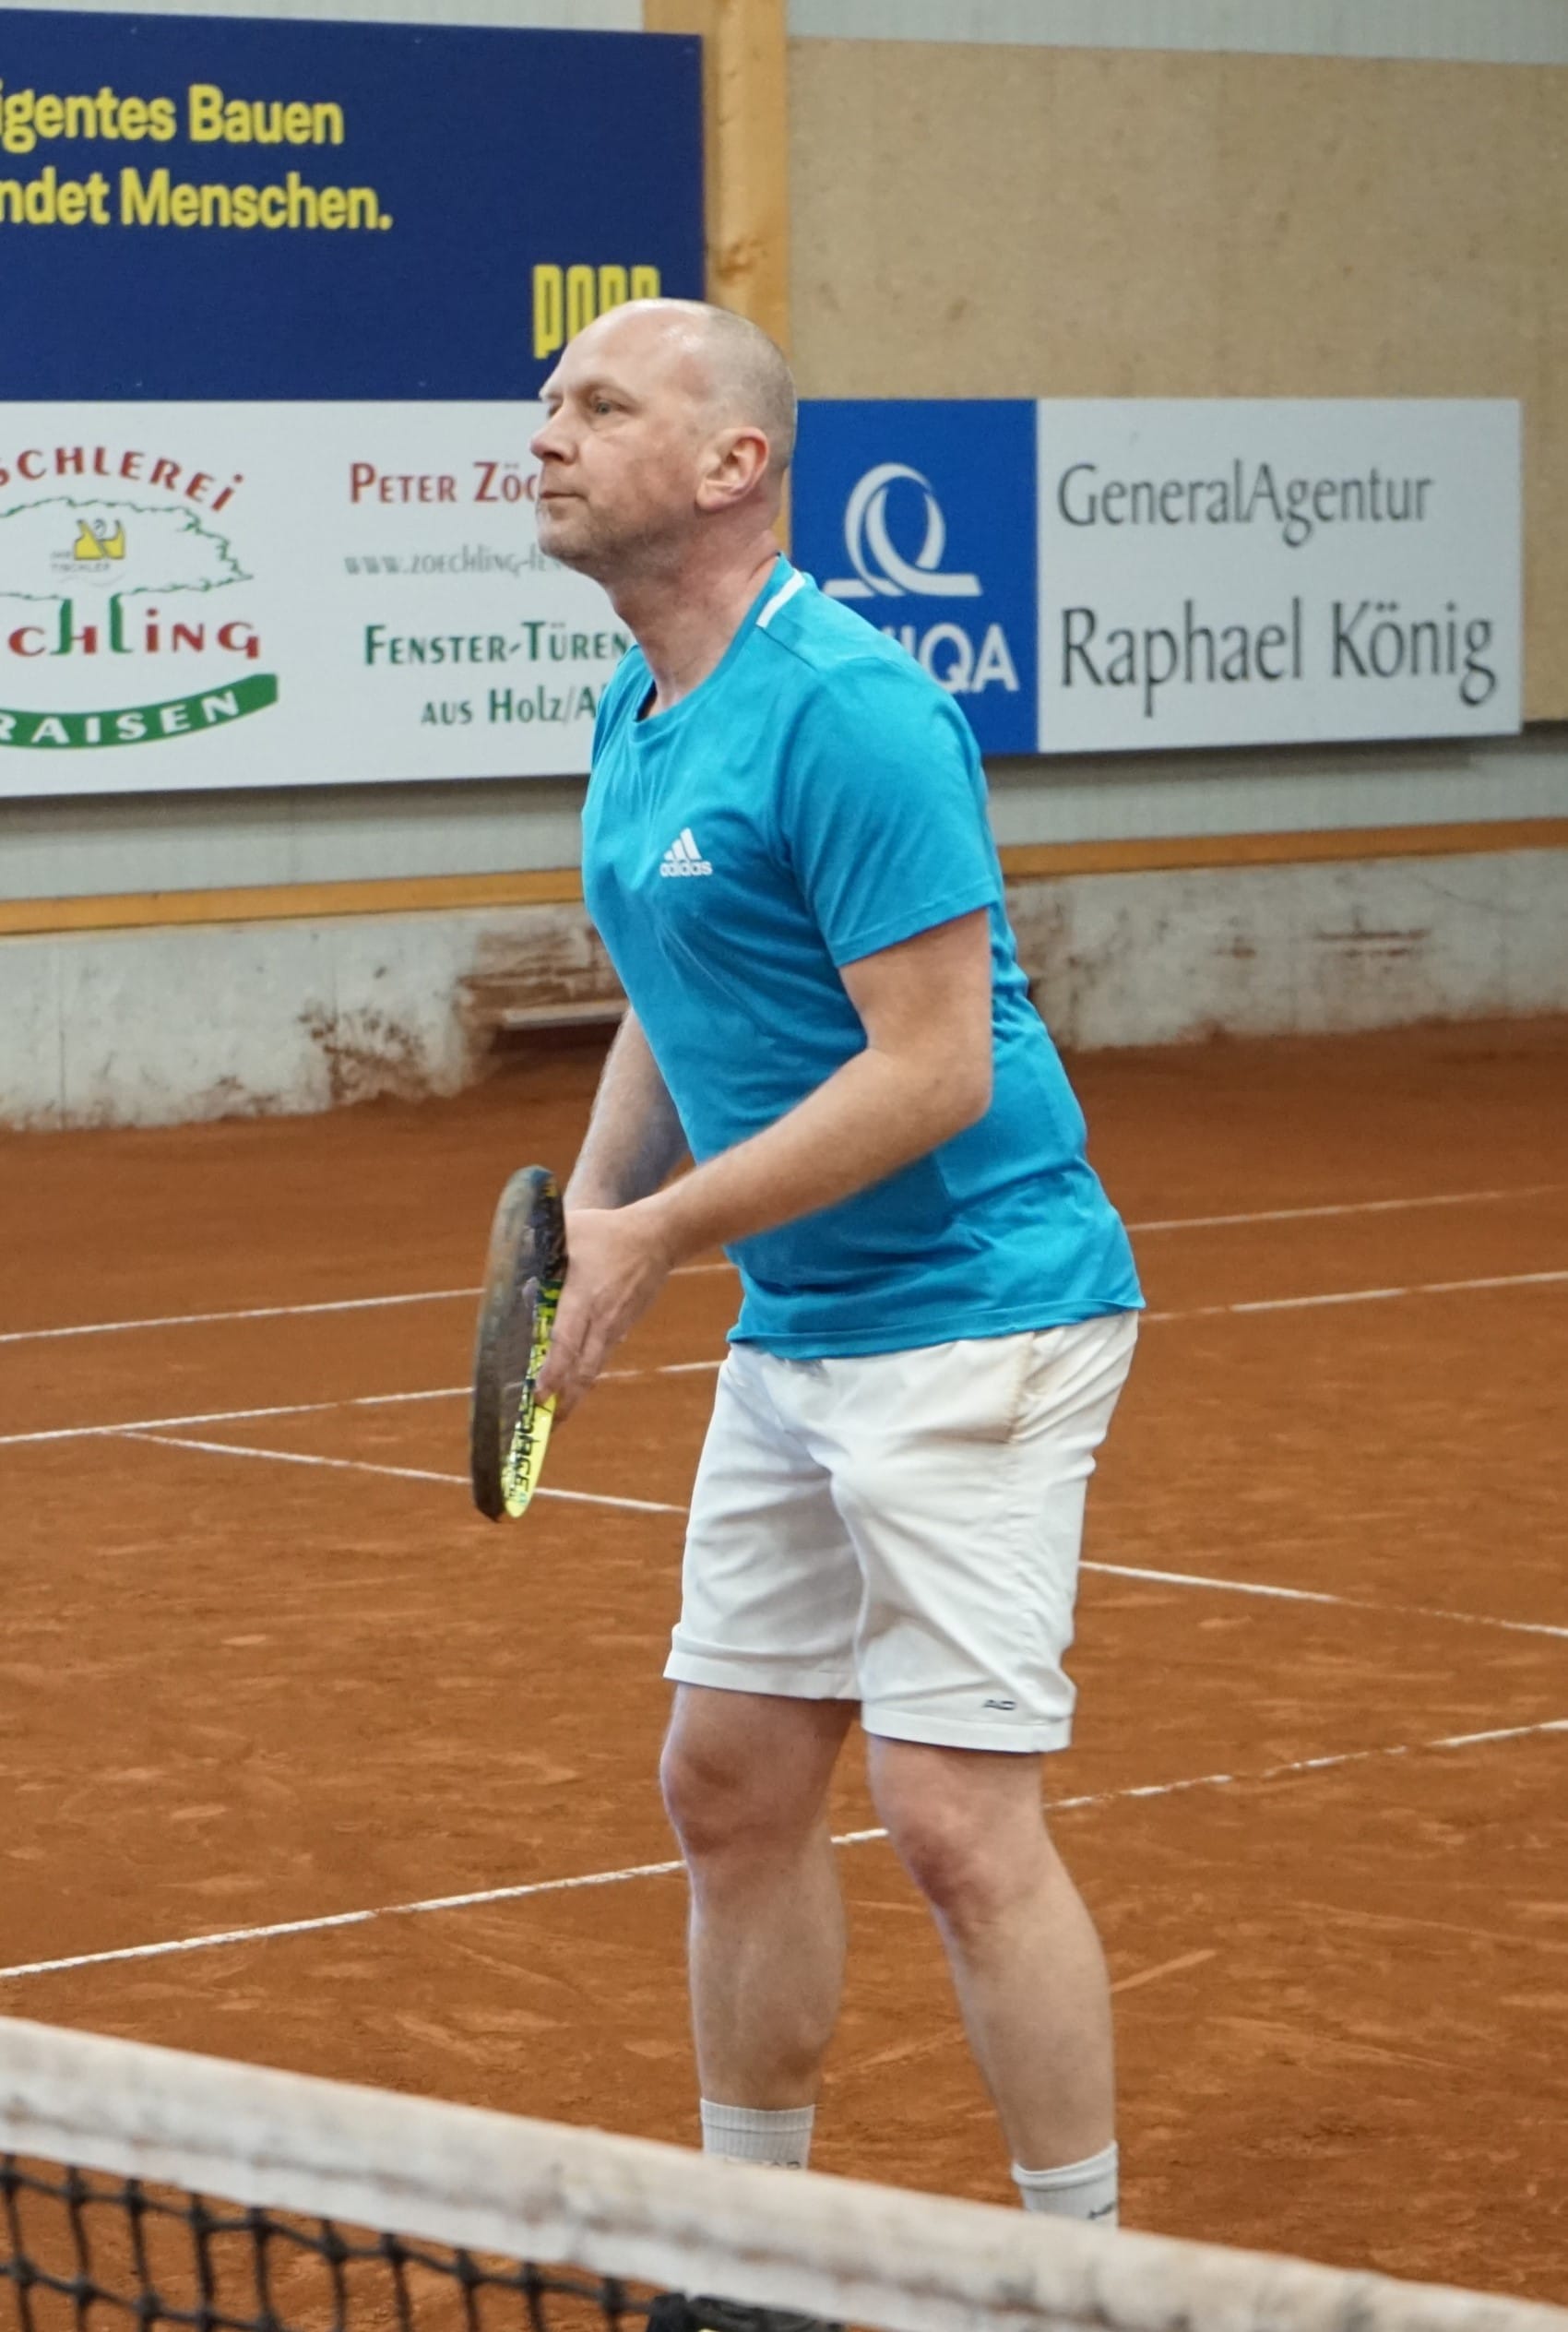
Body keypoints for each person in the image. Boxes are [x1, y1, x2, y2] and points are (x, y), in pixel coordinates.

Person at [529, 300, 1143, 2268]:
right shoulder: (640, 707)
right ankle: (752, 2260)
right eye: (546, 404)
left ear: (736, 463)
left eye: (598, 402)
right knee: (728, 1786)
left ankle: (1081, 2279)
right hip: (807, 1322)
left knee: (952, 1822)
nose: (545, 435)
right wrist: (591, 1211)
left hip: (982, 1306)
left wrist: (659, 1233)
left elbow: (934, 1068)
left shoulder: (853, 708)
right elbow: (676, 980)